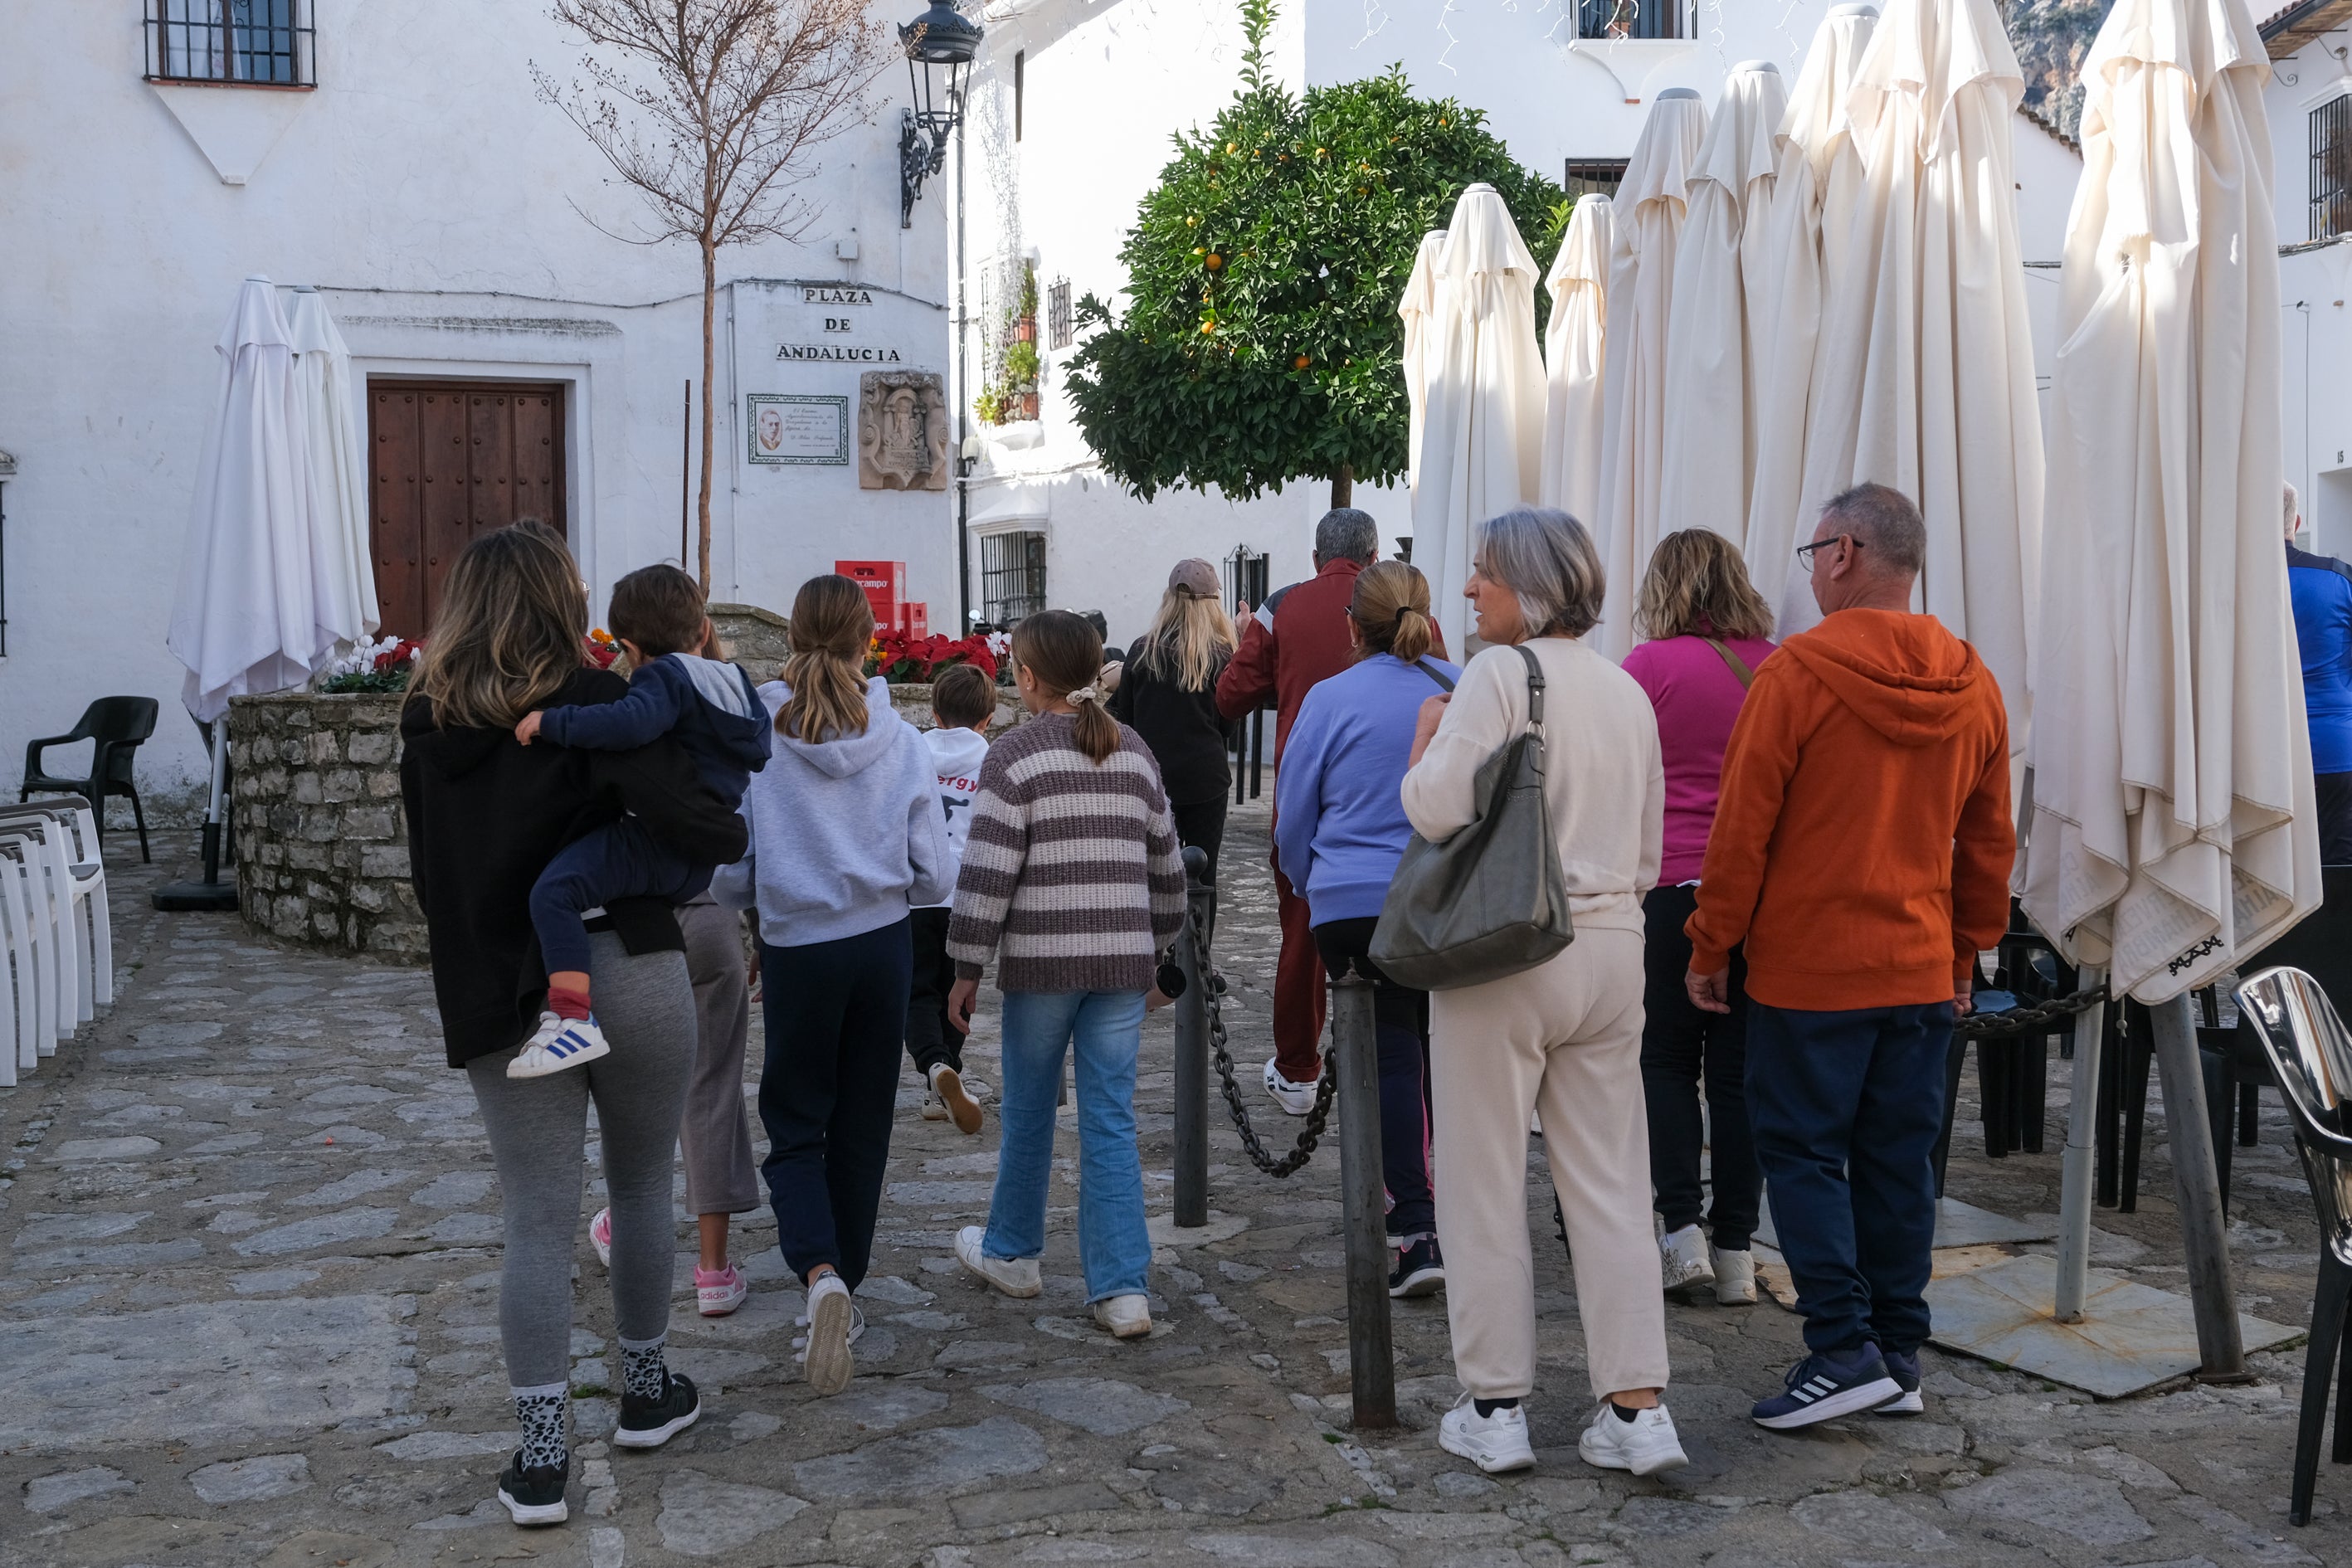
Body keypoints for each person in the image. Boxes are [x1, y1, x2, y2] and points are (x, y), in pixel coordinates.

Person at [400, 525, 747, 1527]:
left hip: (514, 994)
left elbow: (438, 881)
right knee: (642, 1186)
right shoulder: (601, 702)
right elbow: (692, 811)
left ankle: (542, 1460)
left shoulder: (428, 722)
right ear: (563, 600)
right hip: (632, 960)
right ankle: (645, 1396)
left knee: (537, 1220)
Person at [1686, 483, 2011, 1429]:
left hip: (1811, 970)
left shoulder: (1797, 676)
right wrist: (1965, 954)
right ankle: (1897, 1353)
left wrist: (1711, 944)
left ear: (1843, 554)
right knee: (1898, 1165)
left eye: (1813, 551)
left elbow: (1741, 832)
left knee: (1803, 1155)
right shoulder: (1974, 679)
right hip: (1917, 966)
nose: (1812, 568)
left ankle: (1842, 1347)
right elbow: (1989, 844)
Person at [1400, 508, 1687, 1481]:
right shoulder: (1625, 689)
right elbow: (1649, 849)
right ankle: (1638, 1409)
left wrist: (1426, 745)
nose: (1469, 589)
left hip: (1508, 946)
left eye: (1482, 573)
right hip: (1611, 947)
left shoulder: (1496, 675)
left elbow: (1437, 809)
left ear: (1528, 584)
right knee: (1611, 1185)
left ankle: (1496, 1406)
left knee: (1482, 1181)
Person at [713, 574, 953, 1397]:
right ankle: (843, 1285)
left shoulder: (758, 739)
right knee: (862, 1126)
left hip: (800, 951)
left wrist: (774, 903)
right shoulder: (902, 737)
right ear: (867, 641)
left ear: (793, 633)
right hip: (881, 945)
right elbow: (935, 872)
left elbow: (730, 868)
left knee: (795, 1121)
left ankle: (819, 1275)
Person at [945, 611, 1186, 1340]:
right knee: (1109, 1117)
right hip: (1120, 965)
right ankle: (1121, 1291)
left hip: (1042, 965)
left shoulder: (1012, 758)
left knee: (1028, 1110)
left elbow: (986, 877)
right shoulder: (1133, 751)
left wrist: (964, 967)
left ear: (1024, 677)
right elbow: (1168, 872)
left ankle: (1013, 1252)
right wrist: (1159, 946)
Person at [1274, 560, 1458, 1298]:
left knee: (1386, 1058)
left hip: (1350, 901)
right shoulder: (1461, 688)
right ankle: (1452, 1217)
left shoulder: (1330, 698)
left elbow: (1294, 814)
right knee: (1437, 1054)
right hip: (1441, 898)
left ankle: (1414, 1226)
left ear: (1352, 625)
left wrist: (1304, 880)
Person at [508, 565, 770, 1076]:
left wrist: (552, 722)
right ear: (704, 631)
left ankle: (570, 1019)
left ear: (628, 648)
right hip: (700, 859)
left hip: (656, 839)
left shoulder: (663, 676)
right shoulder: (733, 682)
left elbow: (630, 723)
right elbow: (758, 750)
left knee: (554, 892)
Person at [1619, 530, 1776, 1307]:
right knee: (1741, 1078)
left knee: (1666, 1064)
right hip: (1760, 896)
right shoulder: (1778, 665)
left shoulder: (1646, 668)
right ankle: (1738, 1250)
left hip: (1668, 890)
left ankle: (1679, 1235)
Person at [1217, 509, 1404, 1114]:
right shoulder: (1404, 602)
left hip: (1309, 793)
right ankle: (1403, 1060)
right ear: (1373, 555)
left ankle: (1299, 1068)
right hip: (1394, 793)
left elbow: (1230, 695)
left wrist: (1281, 678)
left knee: (1300, 935)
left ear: (1315, 555)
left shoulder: (1281, 608)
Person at [1111, 559, 1238, 882]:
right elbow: (1228, 726)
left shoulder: (1142, 651)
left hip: (1152, 780)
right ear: (1212, 605)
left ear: (1169, 599)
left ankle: (1157, 934)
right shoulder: (1222, 656)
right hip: (1205, 781)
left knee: (1152, 877)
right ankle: (1200, 933)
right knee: (1204, 874)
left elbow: (1123, 717)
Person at [909, 661, 996, 1132]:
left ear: (934, 712)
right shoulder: (991, 758)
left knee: (917, 990)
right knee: (956, 988)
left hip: (917, 891)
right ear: (986, 718)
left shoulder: (914, 751)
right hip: (967, 895)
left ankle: (934, 1067)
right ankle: (947, 1074)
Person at [2286, 481, 2352, 862]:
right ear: (2296, 522)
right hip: (2335, 747)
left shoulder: (2227, 586)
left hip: (2257, 753)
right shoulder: (2339, 579)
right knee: (2340, 870)